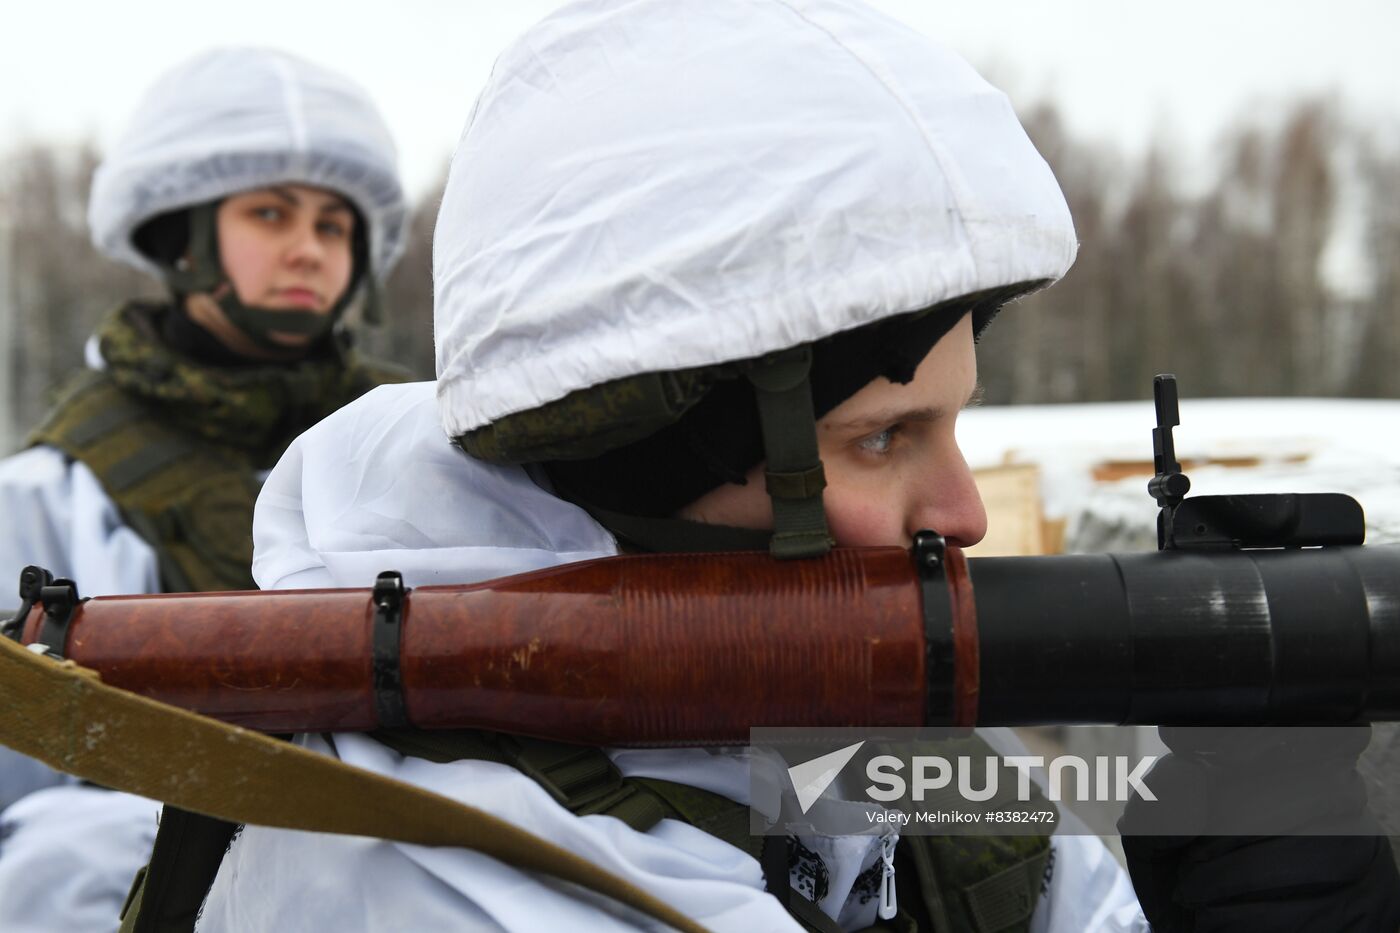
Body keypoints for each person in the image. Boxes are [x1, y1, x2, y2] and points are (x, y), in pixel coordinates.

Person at [136, 3, 1400, 932]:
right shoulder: (425, 868)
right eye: (880, 439)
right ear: (650, 449)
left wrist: (1251, 837)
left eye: (954, 424)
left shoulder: (840, 732)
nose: (958, 513)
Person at [0, 45, 410, 932]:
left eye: (335, 227)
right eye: (270, 214)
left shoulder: (417, 441)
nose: (308, 249)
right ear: (180, 237)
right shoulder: (55, 489)